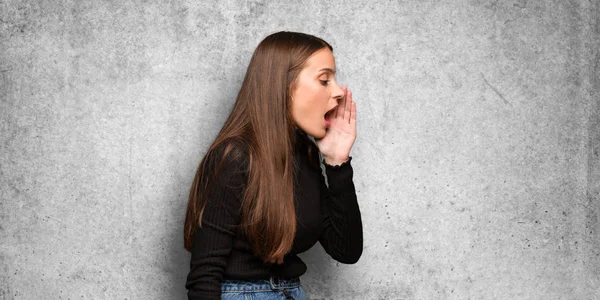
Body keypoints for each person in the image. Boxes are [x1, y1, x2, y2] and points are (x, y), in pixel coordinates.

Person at [183, 31, 363, 300]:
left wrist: (337, 163)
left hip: (292, 292)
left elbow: (346, 251)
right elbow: (204, 276)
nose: (338, 91)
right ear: (285, 85)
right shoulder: (233, 157)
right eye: (325, 79)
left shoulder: (305, 154)